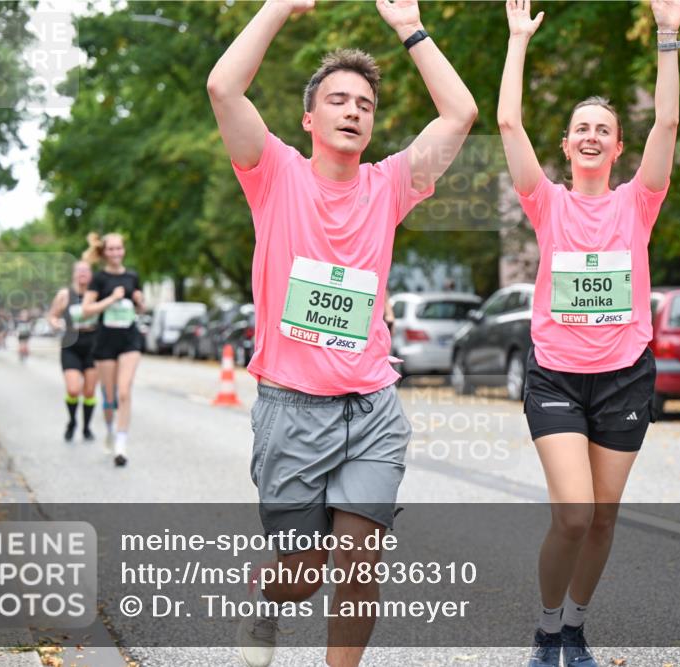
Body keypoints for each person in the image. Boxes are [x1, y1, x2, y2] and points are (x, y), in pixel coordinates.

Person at [207, 0, 476, 664]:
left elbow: (460, 114)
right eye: (338, 100)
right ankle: (267, 601)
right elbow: (222, 86)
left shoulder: (389, 186)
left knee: (360, 561)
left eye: (365, 103)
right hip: (291, 410)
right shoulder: (273, 174)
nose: (354, 110)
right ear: (309, 118)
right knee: (302, 575)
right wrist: (277, 7)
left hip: (372, 408)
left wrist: (409, 28)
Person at [497, 0, 680, 664]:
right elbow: (508, 121)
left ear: (618, 145)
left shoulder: (640, 200)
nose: (594, 135)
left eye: (604, 127)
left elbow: (668, 119)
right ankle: (546, 629)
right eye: (582, 127)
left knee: (604, 517)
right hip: (557, 376)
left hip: (625, 374)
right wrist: (518, 41)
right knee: (573, 514)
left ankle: (574, 626)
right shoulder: (546, 201)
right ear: (568, 144)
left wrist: (666, 33)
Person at [81, 233, 145, 467]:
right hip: (105, 342)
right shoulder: (99, 279)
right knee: (109, 397)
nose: (116, 253)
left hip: (130, 340)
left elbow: (139, 310)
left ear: (123, 251)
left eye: (119, 249)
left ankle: (121, 444)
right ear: (104, 252)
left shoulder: (132, 276)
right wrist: (110, 299)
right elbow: (86, 310)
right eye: (111, 249)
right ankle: (110, 429)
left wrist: (140, 302)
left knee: (124, 392)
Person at [48, 261, 100, 443]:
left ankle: (86, 427)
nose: (83, 274)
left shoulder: (96, 294)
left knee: (89, 391)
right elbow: (52, 315)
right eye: (79, 271)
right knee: (73, 390)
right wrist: (56, 323)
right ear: (74, 274)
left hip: (93, 344)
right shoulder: (65, 294)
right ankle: (72, 422)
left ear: (91, 274)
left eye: (86, 270)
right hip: (71, 344)